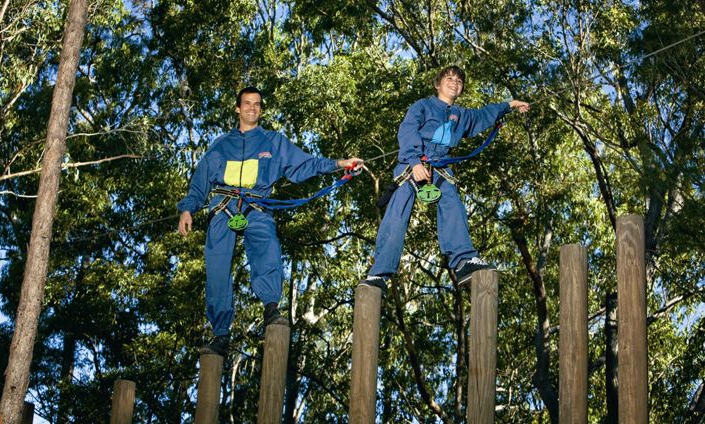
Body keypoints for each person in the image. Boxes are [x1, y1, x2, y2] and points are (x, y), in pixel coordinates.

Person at [178, 86, 363, 356]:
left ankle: (271, 308)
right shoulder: (220, 145)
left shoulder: (272, 142)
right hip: (223, 208)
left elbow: (304, 165)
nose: (252, 108)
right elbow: (200, 182)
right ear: (238, 108)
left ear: (261, 110)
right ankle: (220, 334)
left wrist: (338, 164)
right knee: (216, 266)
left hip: (257, 205)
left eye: (257, 104)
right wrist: (187, 209)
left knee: (268, 248)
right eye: (247, 103)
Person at [359, 66, 529, 293]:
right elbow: (408, 130)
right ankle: (378, 273)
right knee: (397, 215)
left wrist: (509, 105)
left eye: (459, 81)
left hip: (440, 166)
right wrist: (414, 161)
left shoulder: (461, 115)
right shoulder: (423, 106)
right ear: (437, 84)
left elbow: (483, 115)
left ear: (461, 89)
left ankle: (463, 261)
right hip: (414, 163)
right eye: (449, 78)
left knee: (452, 203)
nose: (454, 82)